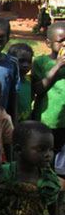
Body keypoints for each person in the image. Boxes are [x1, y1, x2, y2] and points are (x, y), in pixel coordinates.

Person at [32, 22, 65, 153]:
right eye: (60, 41)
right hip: (47, 119)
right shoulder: (41, 62)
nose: (64, 44)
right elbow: (38, 90)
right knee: (46, 151)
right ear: (48, 43)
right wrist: (57, 66)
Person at [8, 43, 34, 121]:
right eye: (21, 61)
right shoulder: (9, 82)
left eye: (29, 62)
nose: (26, 65)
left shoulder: (29, 81)